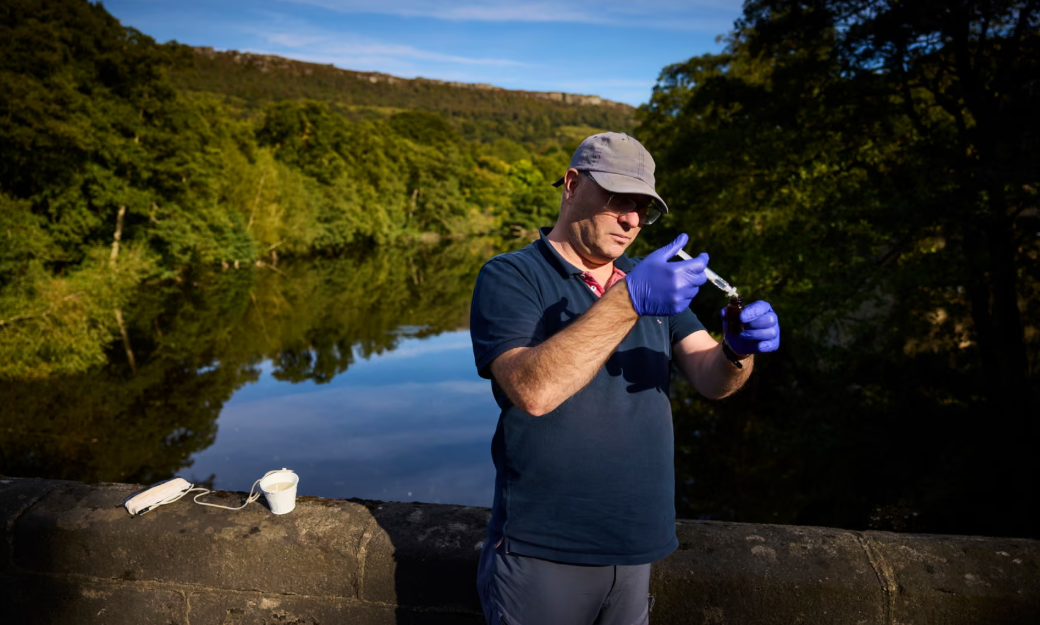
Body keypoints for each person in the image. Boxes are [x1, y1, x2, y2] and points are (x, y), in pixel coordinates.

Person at [470, 132, 780, 625]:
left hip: (639, 546)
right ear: (572, 185)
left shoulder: (647, 279)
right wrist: (629, 299)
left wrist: (738, 350)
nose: (632, 220)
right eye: (618, 199)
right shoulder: (511, 276)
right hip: (545, 548)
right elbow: (533, 391)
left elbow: (710, 377)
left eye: (643, 208)